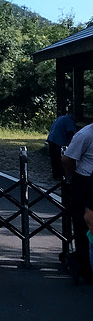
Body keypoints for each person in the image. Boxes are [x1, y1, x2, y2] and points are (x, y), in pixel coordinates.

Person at [61, 118, 93, 284]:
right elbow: (67, 159)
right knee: (83, 224)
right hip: (85, 181)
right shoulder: (85, 134)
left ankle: (80, 260)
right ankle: (85, 266)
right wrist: (72, 178)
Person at [47, 108, 78, 182]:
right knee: (59, 159)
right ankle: (60, 175)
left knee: (54, 159)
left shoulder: (61, 117)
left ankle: (55, 175)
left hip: (51, 139)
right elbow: (70, 132)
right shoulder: (69, 121)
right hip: (58, 141)